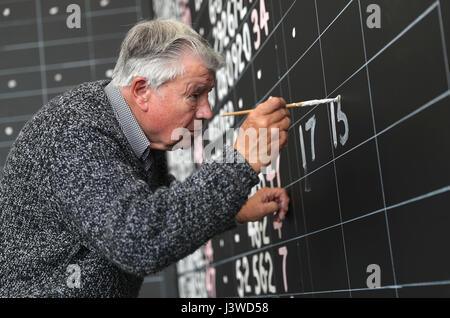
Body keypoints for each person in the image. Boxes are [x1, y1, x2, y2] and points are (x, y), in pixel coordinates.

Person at [0, 19, 291, 298]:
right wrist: (239, 162)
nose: (207, 112)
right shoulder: (75, 133)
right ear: (142, 91)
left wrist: (232, 210)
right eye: (195, 95)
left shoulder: (132, 128)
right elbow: (141, 240)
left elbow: (153, 207)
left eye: (208, 94)